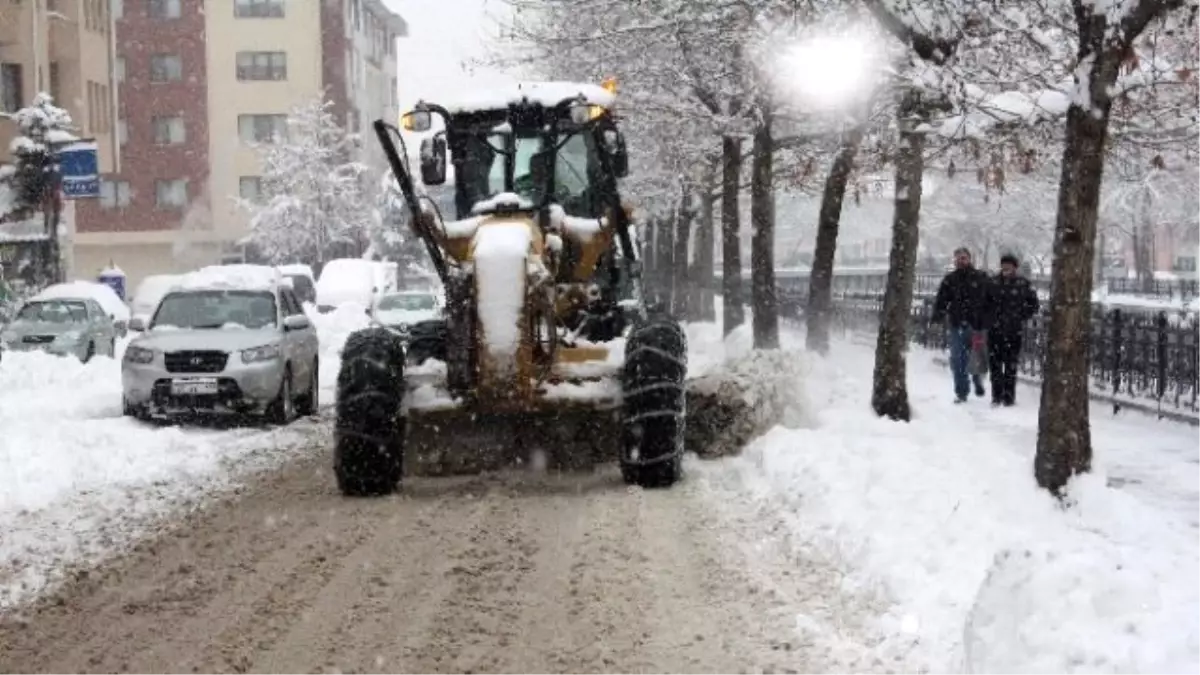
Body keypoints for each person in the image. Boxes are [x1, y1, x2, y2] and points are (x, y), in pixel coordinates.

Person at [930, 247, 992, 403]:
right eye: (957, 258)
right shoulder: (950, 280)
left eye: (963, 258)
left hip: (977, 325)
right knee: (958, 360)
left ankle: (977, 380)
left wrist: (989, 318)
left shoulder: (981, 278)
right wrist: (937, 318)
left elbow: (991, 300)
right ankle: (962, 392)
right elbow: (941, 301)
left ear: (969, 259)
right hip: (957, 324)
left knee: (977, 357)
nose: (960, 261)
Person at [986, 253, 1040, 406]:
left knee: (1011, 366)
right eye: (1004, 264)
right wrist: (990, 318)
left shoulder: (1023, 284)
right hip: (994, 331)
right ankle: (996, 396)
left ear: (1015, 267)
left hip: (1013, 331)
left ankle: (1009, 397)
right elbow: (984, 304)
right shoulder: (993, 283)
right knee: (995, 366)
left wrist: (1020, 315)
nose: (1006, 267)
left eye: (1009, 265)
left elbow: (1034, 305)